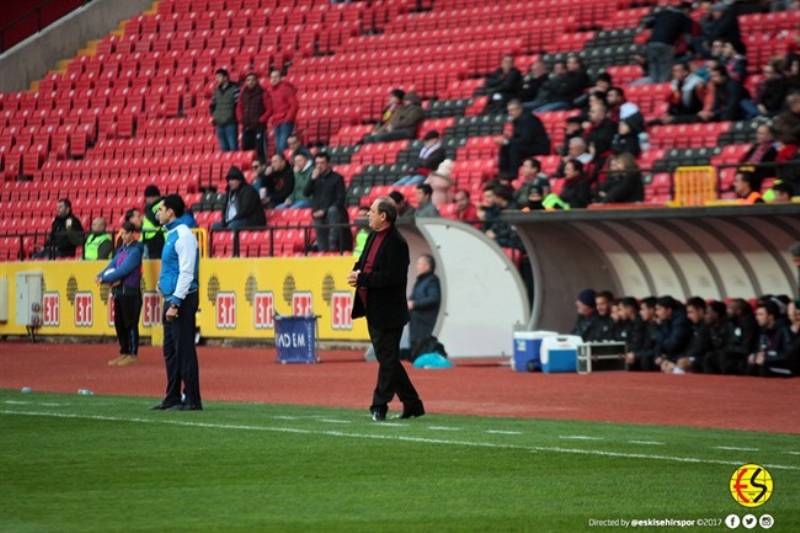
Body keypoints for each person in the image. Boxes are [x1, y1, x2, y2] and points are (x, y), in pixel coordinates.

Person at [348, 198, 424, 421]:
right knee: (388, 359)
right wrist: (356, 273)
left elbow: (393, 278)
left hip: (389, 311)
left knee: (387, 359)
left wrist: (364, 278)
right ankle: (413, 404)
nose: (368, 214)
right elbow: (363, 262)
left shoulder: (397, 243)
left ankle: (379, 405)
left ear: (384, 216)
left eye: (372, 211)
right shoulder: (373, 236)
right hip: (373, 308)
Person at [152, 194, 202, 411]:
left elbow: (187, 272)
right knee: (170, 351)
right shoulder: (172, 234)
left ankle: (192, 398)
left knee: (184, 350)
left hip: (181, 300)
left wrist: (175, 303)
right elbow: (173, 268)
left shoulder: (184, 235)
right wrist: (161, 284)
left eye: (161, 209)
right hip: (171, 297)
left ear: (171, 211)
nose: (157, 213)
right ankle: (172, 395)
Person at [98, 221, 144, 366]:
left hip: (130, 292)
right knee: (120, 323)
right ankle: (124, 352)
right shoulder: (122, 250)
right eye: (122, 233)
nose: (122, 236)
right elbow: (112, 265)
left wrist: (104, 278)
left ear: (132, 234)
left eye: (125, 233)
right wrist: (101, 274)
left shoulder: (135, 251)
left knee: (130, 324)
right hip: (119, 292)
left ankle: (132, 353)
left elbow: (123, 270)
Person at [495, 99, 550, 176]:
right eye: (509, 111)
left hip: (538, 147)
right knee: (505, 147)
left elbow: (526, 139)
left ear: (519, 109)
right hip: (527, 145)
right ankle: (503, 174)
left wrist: (508, 141)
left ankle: (513, 174)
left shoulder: (529, 119)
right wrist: (507, 139)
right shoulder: (517, 120)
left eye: (512, 110)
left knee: (514, 148)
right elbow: (518, 138)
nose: (510, 113)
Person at [305, 152, 348, 252]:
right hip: (318, 212)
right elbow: (306, 193)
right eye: (317, 163)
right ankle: (322, 252)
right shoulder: (314, 178)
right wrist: (312, 180)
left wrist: (324, 210)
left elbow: (340, 199)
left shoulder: (337, 178)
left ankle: (333, 249)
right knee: (320, 233)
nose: (319, 166)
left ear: (328, 163)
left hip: (333, 212)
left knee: (333, 211)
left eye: (322, 163)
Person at [643, 2, 694, 83]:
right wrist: (691, 48)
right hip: (667, 44)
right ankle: (662, 89)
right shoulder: (684, 18)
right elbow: (688, 36)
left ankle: (654, 89)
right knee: (665, 69)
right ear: (686, 10)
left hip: (652, 43)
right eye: (690, 11)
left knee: (653, 68)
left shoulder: (663, 13)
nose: (690, 13)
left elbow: (647, 24)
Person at [747, 301, 793, 377]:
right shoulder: (763, 330)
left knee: (764, 369)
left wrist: (766, 358)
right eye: (756, 315)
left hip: (786, 367)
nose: (757, 318)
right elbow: (761, 349)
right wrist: (755, 355)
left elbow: (788, 354)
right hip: (770, 364)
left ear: (770, 316)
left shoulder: (784, 330)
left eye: (760, 314)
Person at [213, 166, 267, 230]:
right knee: (215, 226)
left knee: (232, 225)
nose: (230, 182)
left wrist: (232, 220)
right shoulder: (229, 192)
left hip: (250, 220)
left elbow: (245, 211)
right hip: (233, 220)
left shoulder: (248, 190)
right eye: (229, 180)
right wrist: (225, 220)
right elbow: (225, 209)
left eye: (233, 180)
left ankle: (233, 239)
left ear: (239, 180)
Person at [408, 254, 441, 353]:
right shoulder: (421, 281)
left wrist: (414, 304)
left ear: (427, 266)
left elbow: (434, 298)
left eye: (419, 264)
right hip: (416, 323)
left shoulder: (432, 281)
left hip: (425, 324)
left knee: (422, 352)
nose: (417, 266)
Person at [668, 297, 711, 373]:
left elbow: (703, 349)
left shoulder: (708, 327)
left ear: (701, 311)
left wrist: (690, 359)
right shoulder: (694, 326)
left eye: (691, 312)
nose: (688, 316)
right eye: (687, 313)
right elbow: (689, 347)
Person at [236, 72, 272, 163]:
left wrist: (261, 120)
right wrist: (241, 119)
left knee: (260, 150)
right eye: (248, 80)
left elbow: (269, 109)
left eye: (252, 80)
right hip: (246, 126)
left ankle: (263, 166)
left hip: (259, 127)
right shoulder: (243, 93)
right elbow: (239, 107)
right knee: (246, 150)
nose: (250, 82)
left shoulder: (263, 92)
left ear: (256, 81)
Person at [652, 296, 692, 370]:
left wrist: (665, 357)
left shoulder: (681, 321)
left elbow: (673, 344)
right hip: (672, 354)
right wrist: (658, 355)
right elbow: (658, 343)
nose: (656, 313)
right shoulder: (665, 321)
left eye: (659, 309)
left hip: (683, 354)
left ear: (669, 310)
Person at [268, 69, 298, 156]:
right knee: (278, 146)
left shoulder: (286, 89)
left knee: (282, 146)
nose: (273, 79)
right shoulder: (270, 91)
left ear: (281, 78)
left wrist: (288, 119)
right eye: (272, 77)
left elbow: (294, 105)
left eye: (276, 77)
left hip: (285, 122)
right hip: (276, 122)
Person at [625, 297, 660, 371]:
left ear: (652, 310)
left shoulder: (659, 326)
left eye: (643, 309)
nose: (640, 312)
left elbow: (657, 348)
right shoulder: (645, 325)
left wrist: (636, 355)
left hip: (654, 358)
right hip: (645, 355)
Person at [210, 68, 239, 152]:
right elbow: (212, 105)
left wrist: (233, 116)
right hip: (219, 123)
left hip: (231, 122)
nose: (217, 80)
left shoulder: (235, 88)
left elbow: (238, 104)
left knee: (233, 147)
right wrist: (215, 116)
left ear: (225, 77)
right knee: (223, 150)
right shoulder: (216, 90)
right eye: (216, 78)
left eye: (219, 77)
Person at [141, 185, 164, 259]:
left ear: (150, 197)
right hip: (151, 239)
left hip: (156, 238)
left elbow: (157, 221)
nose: (146, 201)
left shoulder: (157, 206)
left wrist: (148, 211)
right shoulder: (153, 207)